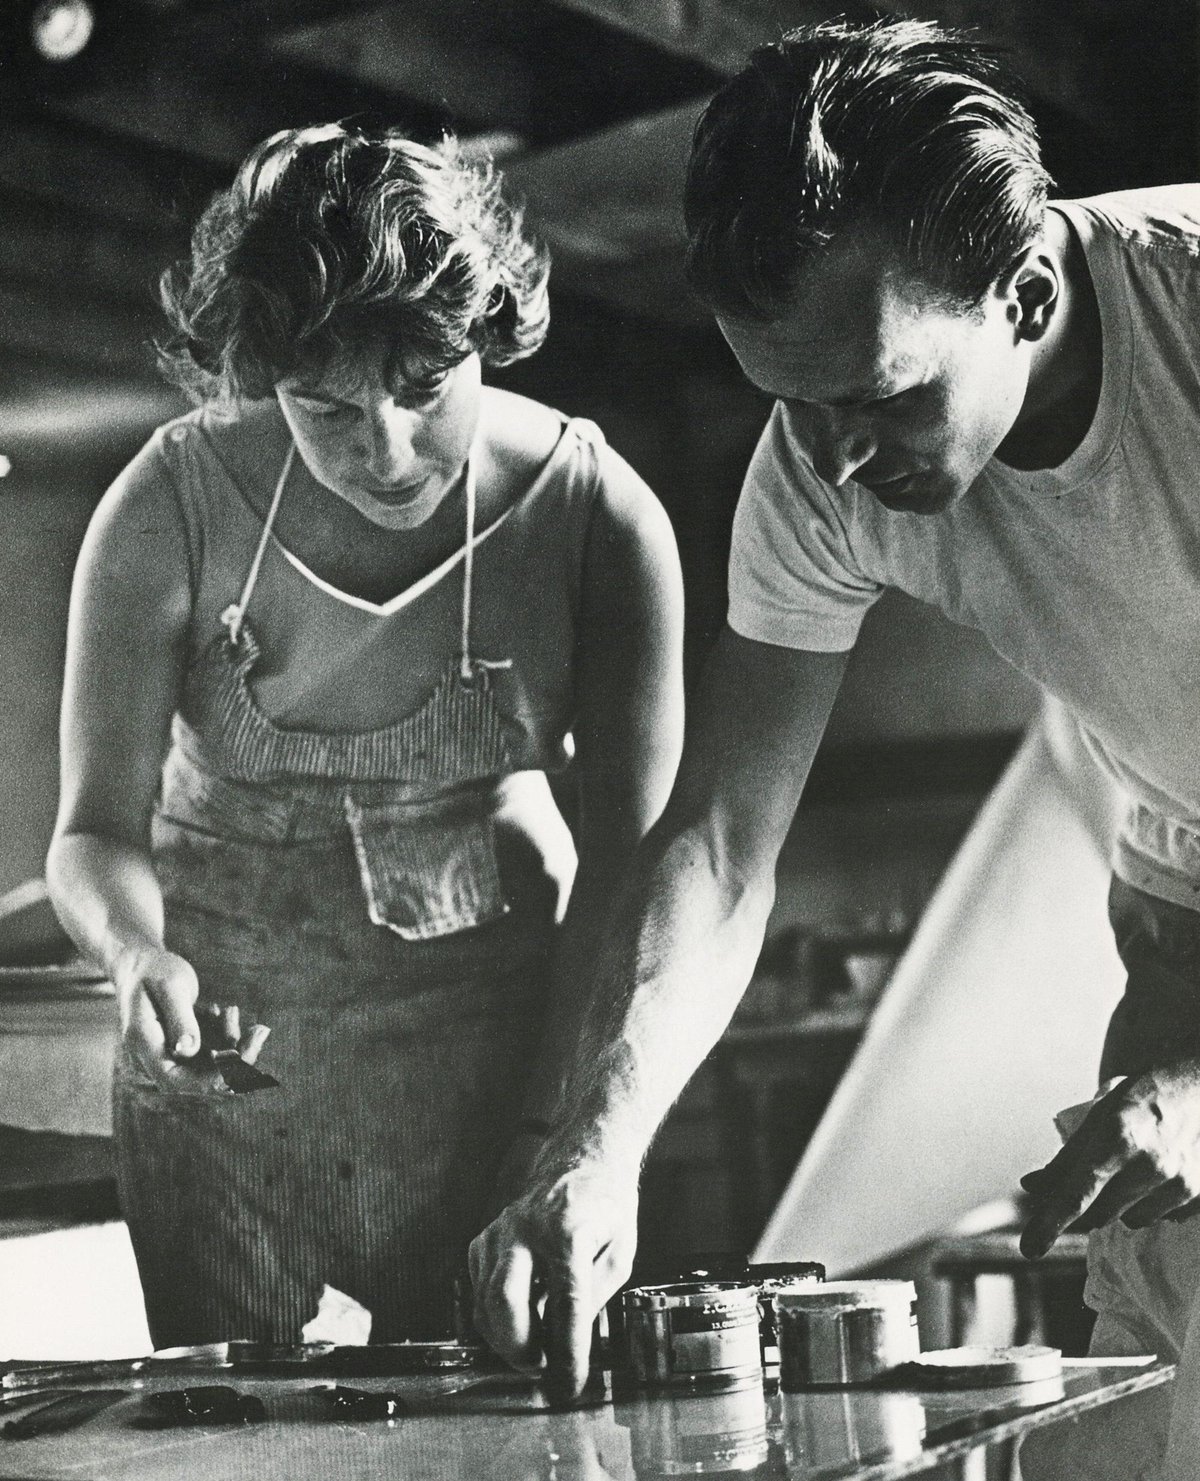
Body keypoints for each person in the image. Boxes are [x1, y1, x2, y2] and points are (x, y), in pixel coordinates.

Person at [469, 14, 1200, 1455]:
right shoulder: (817, 464)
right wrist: (598, 1149)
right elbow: (727, 850)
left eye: (876, 397)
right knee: (1151, 1407)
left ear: (1030, 292)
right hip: (1187, 904)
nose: (833, 461)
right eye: (790, 406)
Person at [46, 121, 684, 1347]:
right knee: (239, 1440)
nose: (384, 450)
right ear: (259, 379)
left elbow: (635, 870)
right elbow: (90, 830)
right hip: (222, 1077)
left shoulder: (598, 520)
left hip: (498, 1065)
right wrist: (138, 959)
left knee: (492, 1429)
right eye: (323, 407)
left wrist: (559, 1126)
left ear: (484, 331)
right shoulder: (168, 505)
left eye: (422, 391)